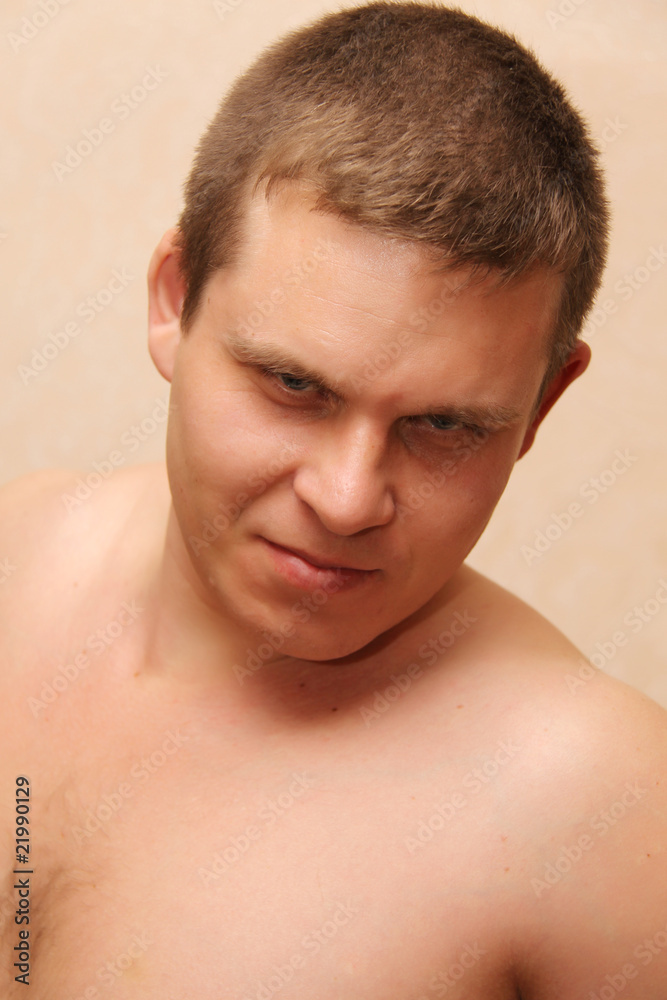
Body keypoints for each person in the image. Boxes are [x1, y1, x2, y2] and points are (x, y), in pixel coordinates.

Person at [1, 3, 665, 997]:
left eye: (443, 425)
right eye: (293, 385)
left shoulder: (598, 811)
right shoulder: (15, 553)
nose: (348, 500)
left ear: (541, 404)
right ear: (175, 298)